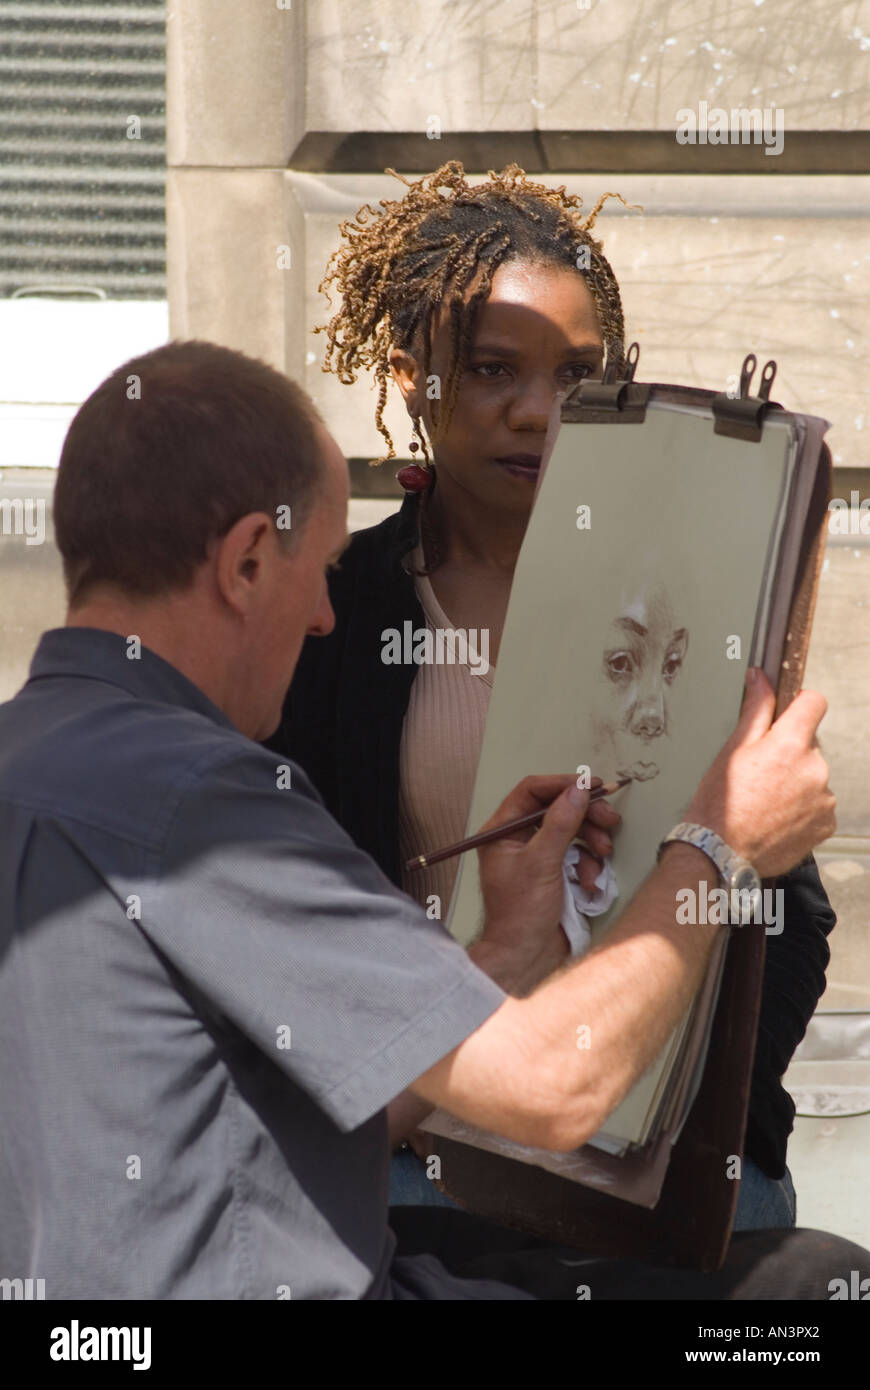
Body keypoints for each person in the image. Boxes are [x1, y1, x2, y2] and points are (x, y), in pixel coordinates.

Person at [1, 339, 860, 1302]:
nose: (327, 615)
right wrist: (717, 842)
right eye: (320, 568)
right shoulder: (202, 804)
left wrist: (503, 952)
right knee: (810, 1296)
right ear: (246, 561)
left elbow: (271, 1128)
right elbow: (552, 1089)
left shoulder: (32, 762)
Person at [268, 161, 835, 1228]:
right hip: (416, 1153)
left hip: (659, 1161)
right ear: (409, 378)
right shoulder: (328, 614)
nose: (539, 412)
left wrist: (704, 1115)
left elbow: (783, 930)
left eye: (578, 374)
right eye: (491, 370)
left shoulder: (692, 597)